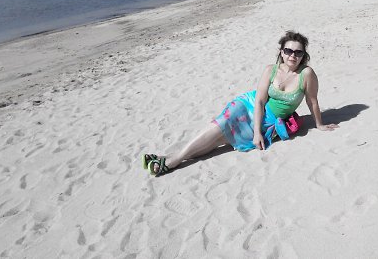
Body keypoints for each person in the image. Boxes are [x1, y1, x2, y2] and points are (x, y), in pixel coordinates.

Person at [142, 31, 339, 177]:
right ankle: (174, 161)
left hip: (269, 120)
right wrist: (256, 133)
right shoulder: (271, 70)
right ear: (281, 52)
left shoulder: (307, 74)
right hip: (249, 105)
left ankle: (168, 157)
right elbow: (260, 100)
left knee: (220, 140)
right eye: (288, 51)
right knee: (219, 127)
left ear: (304, 55)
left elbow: (312, 100)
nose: (292, 56)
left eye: (298, 52)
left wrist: (319, 124)